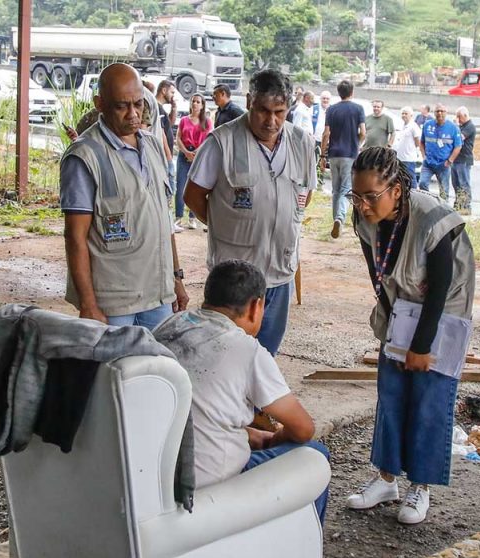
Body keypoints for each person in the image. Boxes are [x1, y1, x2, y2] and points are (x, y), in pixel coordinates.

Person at [153, 259, 342, 558]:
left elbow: (202, 411)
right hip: (207, 481)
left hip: (159, 472)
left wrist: (248, 437)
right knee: (316, 455)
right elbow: (303, 428)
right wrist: (271, 439)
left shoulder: (170, 325)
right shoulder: (245, 349)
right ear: (257, 306)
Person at [344, 146, 476, 525]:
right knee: (391, 392)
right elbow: (377, 272)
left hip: (442, 309)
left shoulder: (434, 220)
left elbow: (439, 290)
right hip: (400, 305)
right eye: (357, 195)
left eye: (371, 196)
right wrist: (392, 328)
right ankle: (386, 478)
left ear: (396, 191)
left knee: (428, 397)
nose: (364, 205)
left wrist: (420, 347)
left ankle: (421, 485)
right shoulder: (364, 216)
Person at [183, 69, 316, 356]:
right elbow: (193, 196)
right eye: (263, 111)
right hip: (234, 279)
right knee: (226, 358)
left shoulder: (302, 143)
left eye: (279, 112)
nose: (271, 121)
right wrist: (226, 223)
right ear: (249, 101)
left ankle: (256, 404)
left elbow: (306, 192)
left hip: (280, 275)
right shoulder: (223, 142)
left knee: (264, 360)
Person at [60, 63, 190, 329]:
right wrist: (88, 304)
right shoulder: (84, 156)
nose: (133, 114)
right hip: (113, 302)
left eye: (138, 104)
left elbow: (163, 220)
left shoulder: (152, 145)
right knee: (115, 370)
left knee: (157, 368)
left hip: (157, 296)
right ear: (100, 103)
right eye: (122, 106)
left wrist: (176, 278)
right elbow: (75, 237)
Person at [320, 80, 365, 239]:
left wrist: (322, 155)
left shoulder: (331, 109)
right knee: (346, 189)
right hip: (350, 154)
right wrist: (357, 143)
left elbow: (326, 133)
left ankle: (335, 220)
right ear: (352, 92)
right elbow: (363, 132)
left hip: (333, 154)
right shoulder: (358, 109)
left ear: (338, 92)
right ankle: (339, 218)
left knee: (336, 189)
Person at [175, 93, 212, 230]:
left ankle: (192, 217)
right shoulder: (184, 120)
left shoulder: (207, 121)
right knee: (180, 185)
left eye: (198, 102)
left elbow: (209, 138)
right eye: (193, 101)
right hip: (184, 154)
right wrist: (186, 152)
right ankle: (178, 217)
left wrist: (196, 152)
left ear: (202, 105)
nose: (195, 104)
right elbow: (178, 138)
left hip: (199, 154)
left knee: (196, 185)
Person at [419, 104, 461, 202]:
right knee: (422, 184)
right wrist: (424, 156)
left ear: (446, 113)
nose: (440, 113)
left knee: (444, 191)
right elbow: (422, 142)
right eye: (437, 111)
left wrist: (450, 161)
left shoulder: (453, 128)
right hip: (428, 163)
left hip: (443, 165)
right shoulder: (427, 125)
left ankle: (443, 210)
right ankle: (428, 203)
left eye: (442, 111)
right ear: (434, 113)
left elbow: (458, 146)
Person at [451, 106, 476, 214]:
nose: (458, 119)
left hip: (464, 159)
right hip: (456, 158)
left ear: (465, 116)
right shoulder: (461, 126)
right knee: (456, 182)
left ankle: (466, 205)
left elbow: (459, 138)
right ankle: (458, 203)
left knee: (463, 183)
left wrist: (455, 125)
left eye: (459, 116)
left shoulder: (469, 126)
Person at [394, 107, 423, 188]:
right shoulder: (402, 125)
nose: (404, 115)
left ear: (411, 115)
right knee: (401, 178)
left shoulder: (413, 126)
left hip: (408, 158)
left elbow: (418, 141)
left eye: (406, 113)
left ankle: (414, 194)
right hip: (400, 157)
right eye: (402, 113)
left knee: (411, 178)